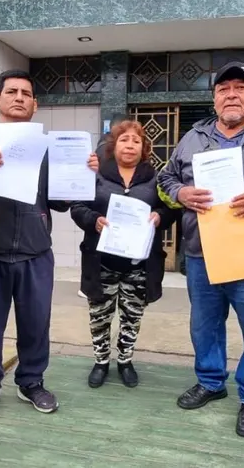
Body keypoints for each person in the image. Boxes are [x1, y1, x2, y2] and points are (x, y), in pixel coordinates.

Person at [157, 61, 244, 439]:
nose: (231, 94)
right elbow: (165, 179)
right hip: (202, 250)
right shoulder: (193, 136)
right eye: (223, 89)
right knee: (204, 324)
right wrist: (181, 193)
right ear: (214, 98)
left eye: (240, 87)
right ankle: (211, 381)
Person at [0, 69, 99, 425]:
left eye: (26, 93)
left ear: (35, 104)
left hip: (36, 251)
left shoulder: (47, 145)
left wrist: (83, 174)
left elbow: (57, 201)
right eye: (11, 92)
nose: (19, 97)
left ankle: (31, 381)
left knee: (36, 323)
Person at [70, 120, 176, 388]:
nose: (130, 145)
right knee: (100, 315)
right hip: (101, 261)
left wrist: (159, 216)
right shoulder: (96, 175)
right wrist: (94, 219)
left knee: (132, 315)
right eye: (124, 140)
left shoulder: (156, 178)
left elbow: (172, 209)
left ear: (144, 148)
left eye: (136, 141)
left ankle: (125, 360)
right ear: (113, 146)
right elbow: (77, 207)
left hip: (139, 264)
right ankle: (101, 361)